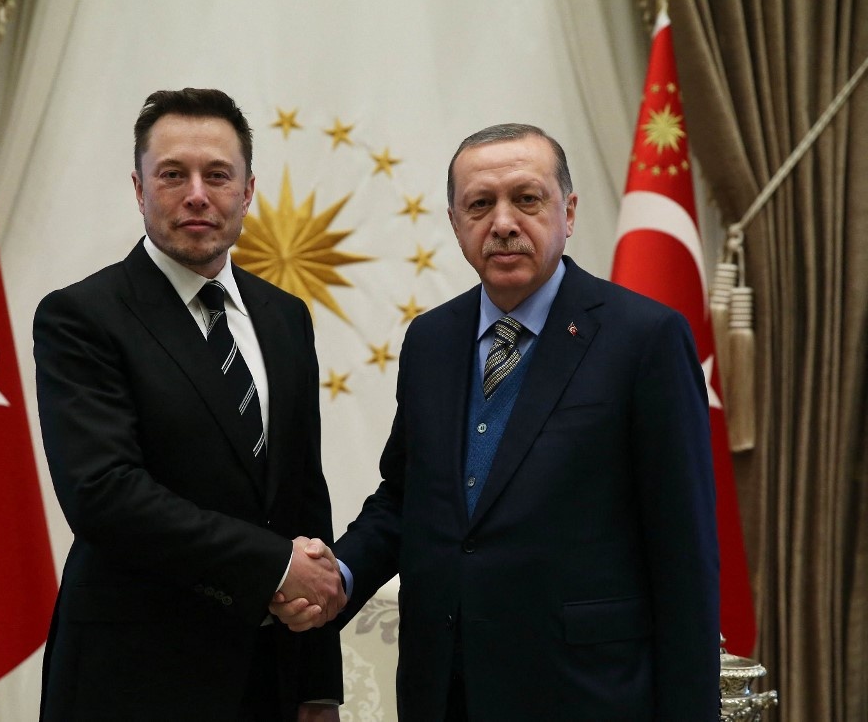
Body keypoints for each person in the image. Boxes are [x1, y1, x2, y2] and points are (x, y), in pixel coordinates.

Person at [273, 124, 721, 720]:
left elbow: (684, 555)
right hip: (443, 691)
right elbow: (406, 499)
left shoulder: (645, 338)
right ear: (457, 223)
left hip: (587, 694)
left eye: (527, 199)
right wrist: (343, 576)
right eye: (480, 205)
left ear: (569, 210)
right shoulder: (431, 340)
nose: (503, 222)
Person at [34, 88, 344, 721]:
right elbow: (105, 495)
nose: (196, 194)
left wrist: (317, 684)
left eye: (218, 175)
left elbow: (303, 496)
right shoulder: (81, 317)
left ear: (248, 191)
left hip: (271, 678)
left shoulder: (286, 318)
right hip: (134, 678)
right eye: (173, 174)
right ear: (140, 188)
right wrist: (276, 567)